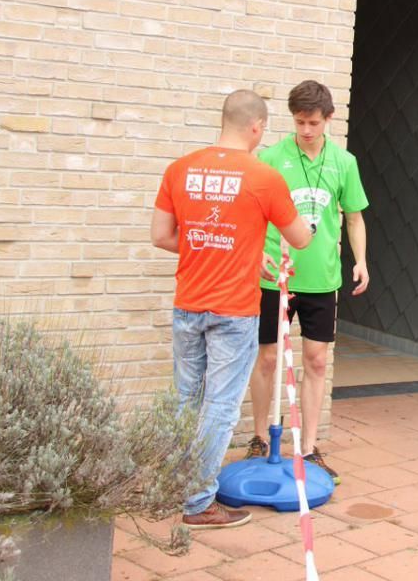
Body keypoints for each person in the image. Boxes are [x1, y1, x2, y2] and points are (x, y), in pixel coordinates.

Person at [152, 89, 313, 529]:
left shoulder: (179, 169)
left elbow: (162, 236)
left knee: (185, 399)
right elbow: (299, 238)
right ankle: (199, 503)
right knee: (221, 408)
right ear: (257, 127)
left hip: (188, 304)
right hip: (234, 311)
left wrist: (217, 247)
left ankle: (174, 485)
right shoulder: (263, 177)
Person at [244, 80, 369, 484]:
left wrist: (361, 261)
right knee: (266, 358)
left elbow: (353, 216)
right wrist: (257, 255)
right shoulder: (271, 157)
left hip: (322, 279)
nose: (306, 130)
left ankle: (309, 447)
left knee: (316, 360)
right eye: (300, 123)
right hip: (274, 280)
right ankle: (260, 437)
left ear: (328, 119)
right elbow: (251, 213)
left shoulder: (343, 162)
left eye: (313, 123)